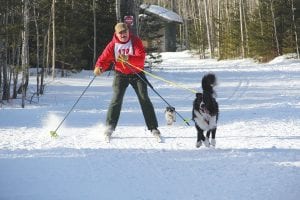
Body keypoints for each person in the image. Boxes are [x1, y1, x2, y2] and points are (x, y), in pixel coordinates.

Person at [93, 22, 161, 142]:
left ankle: (153, 127)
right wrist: (99, 67)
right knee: (116, 99)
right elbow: (104, 59)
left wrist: (128, 58)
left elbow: (141, 59)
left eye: (125, 32)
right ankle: (109, 127)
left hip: (137, 74)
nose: (123, 35)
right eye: (120, 33)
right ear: (116, 34)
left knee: (144, 98)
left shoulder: (135, 41)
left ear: (128, 32)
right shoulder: (112, 45)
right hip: (121, 74)